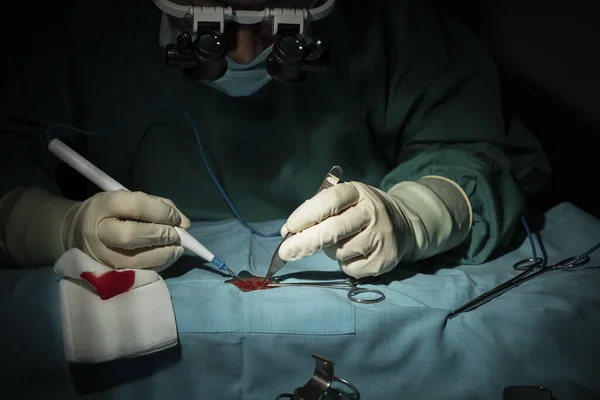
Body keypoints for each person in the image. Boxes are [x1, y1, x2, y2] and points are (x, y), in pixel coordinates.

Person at [0, 0, 550, 278]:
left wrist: (417, 213)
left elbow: (479, 148)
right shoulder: (80, 22)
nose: (241, 55)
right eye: (208, 31)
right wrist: (43, 225)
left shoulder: (388, 19)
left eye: (276, 33)